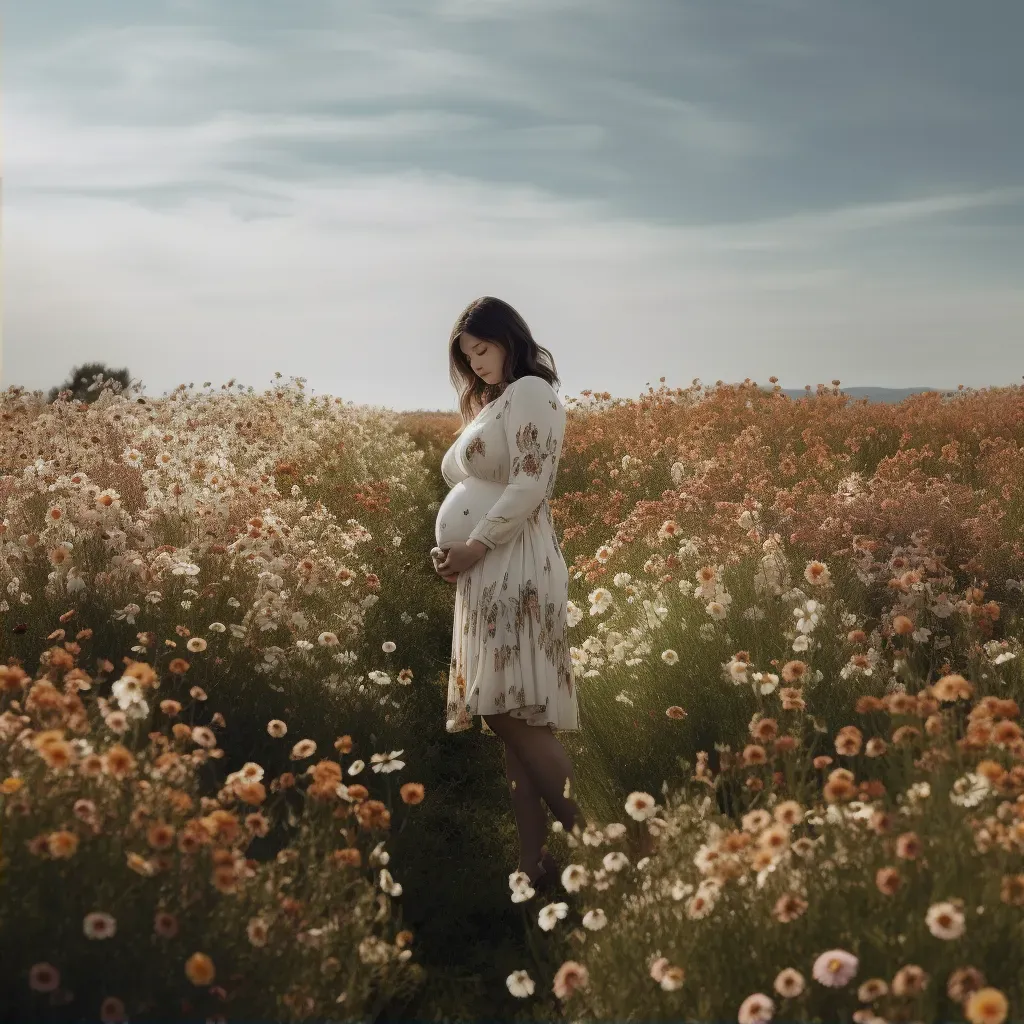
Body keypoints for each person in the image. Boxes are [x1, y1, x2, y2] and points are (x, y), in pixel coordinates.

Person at [433, 296, 583, 891]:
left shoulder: (530, 392)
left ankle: (606, 842)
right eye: (468, 358)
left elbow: (531, 484)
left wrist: (475, 543)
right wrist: (452, 546)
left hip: (513, 560)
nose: (477, 365)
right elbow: (474, 486)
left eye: (483, 349)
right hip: (483, 565)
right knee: (507, 707)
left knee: (501, 708)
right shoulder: (495, 402)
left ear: (509, 339)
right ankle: (533, 865)